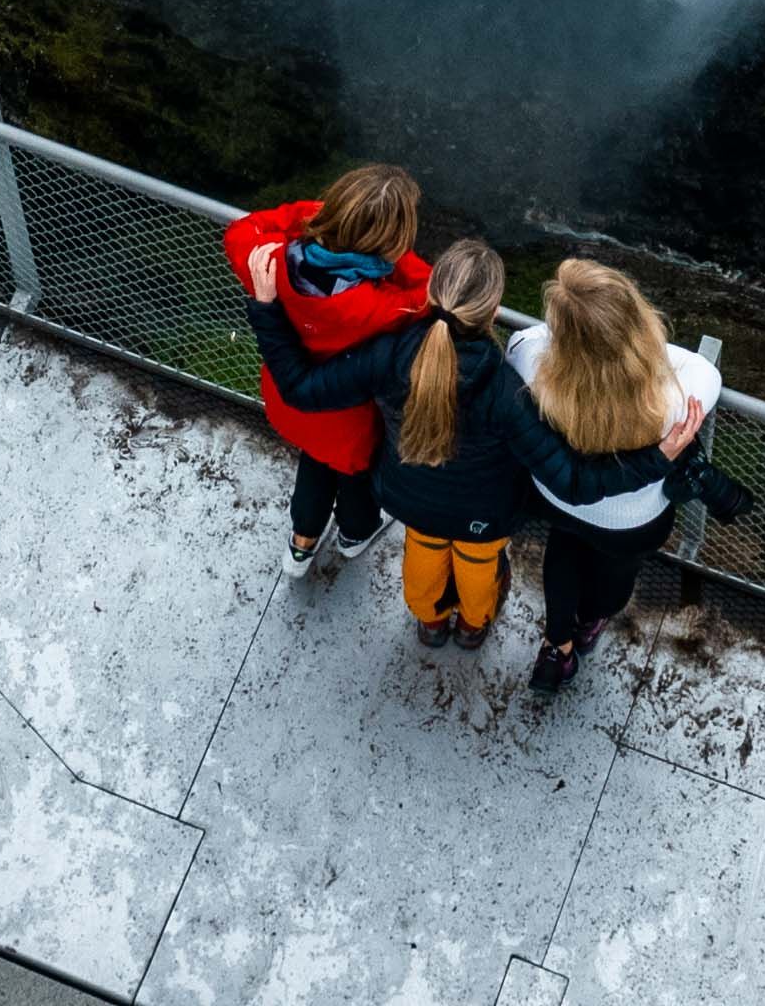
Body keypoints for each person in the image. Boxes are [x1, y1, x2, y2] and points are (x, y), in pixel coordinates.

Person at [245, 235, 535, 642]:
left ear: (432, 292)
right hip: (483, 514)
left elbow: (300, 388)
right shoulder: (510, 390)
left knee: (424, 552)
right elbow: (561, 474)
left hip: (407, 496)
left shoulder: (388, 355)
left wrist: (266, 307)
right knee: (476, 562)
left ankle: (430, 624)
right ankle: (472, 627)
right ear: (493, 311)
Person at [505, 256, 715, 691]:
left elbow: (527, 337)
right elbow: (703, 367)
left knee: (564, 547)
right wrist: (627, 343)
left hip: (557, 497)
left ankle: (555, 647)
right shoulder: (681, 397)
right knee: (615, 577)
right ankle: (586, 627)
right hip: (631, 521)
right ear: (637, 322)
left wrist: (573, 331)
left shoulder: (530, 363)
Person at [217, 164, 427, 575]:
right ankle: (354, 535)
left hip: (288, 401)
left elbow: (241, 230)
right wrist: (393, 253)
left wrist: (314, 215)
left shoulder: (270, 262)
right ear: (389, 243)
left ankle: (302, 545)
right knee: (353, 479)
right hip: (350, 424)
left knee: (313, 460)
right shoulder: (378, 307)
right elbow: (432, 290)